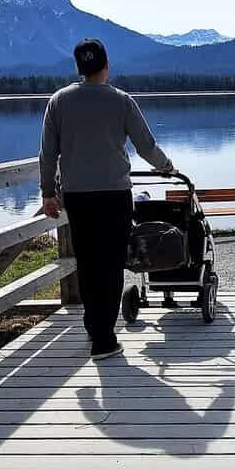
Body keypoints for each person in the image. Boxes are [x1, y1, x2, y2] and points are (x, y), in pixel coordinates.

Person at [40, 38, 175, 361]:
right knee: (112, 264)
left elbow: (47, 154)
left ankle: (94, 328)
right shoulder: (122, 101)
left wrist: (48, 192)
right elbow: (146, 146)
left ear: (79, 68)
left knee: (87, 263)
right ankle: (104, 338)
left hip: (77, 196)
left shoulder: (58, 101)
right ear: (106, 65)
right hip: (114, 194)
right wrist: (166, 166)